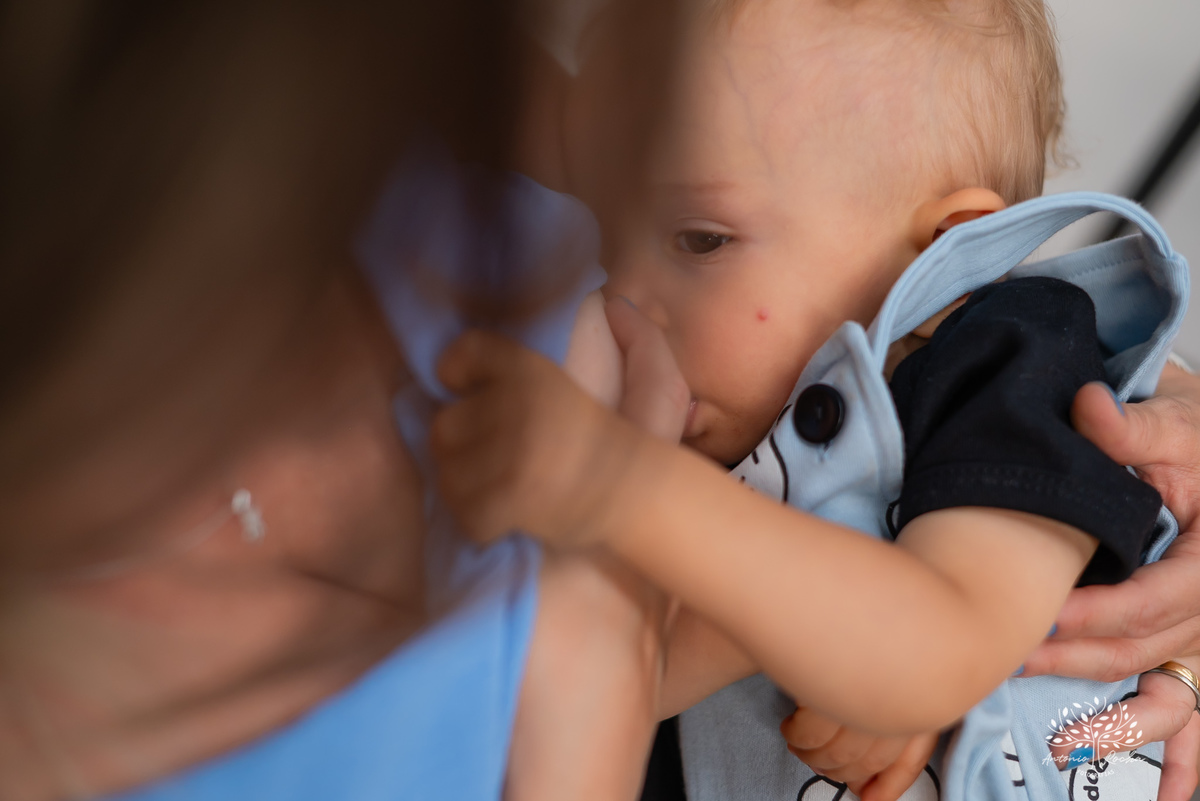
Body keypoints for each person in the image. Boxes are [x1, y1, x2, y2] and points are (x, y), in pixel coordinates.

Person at [429, 1, 1200, 800]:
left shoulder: (1011, 360)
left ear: (944, 256)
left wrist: (619, 483)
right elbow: (605, 691)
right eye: (605, 240)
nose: (623, 294)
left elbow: (940, 640)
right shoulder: (714, 435)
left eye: (699, 239)